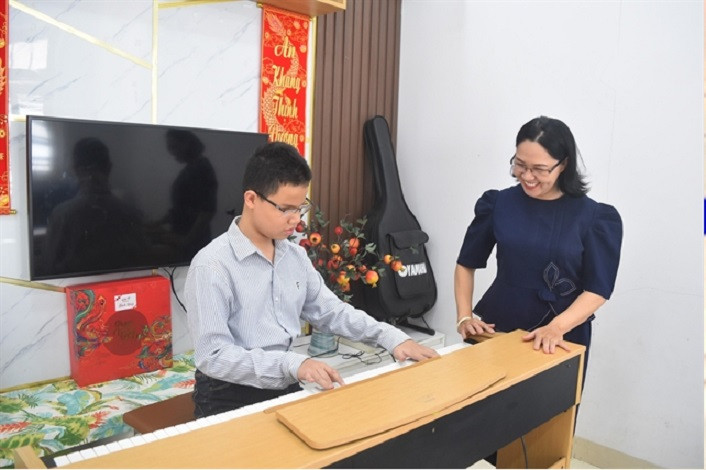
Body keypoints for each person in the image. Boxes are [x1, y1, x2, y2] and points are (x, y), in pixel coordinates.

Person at [185, 141, 439, 419]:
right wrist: (292, 363)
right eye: (285, 209)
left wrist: (392, 338)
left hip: (287, 381)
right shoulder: (212, 265)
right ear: (251, 199)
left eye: (300, 207)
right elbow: (213, 356)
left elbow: (331, 311)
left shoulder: (293, 256)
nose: (295, 220)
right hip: (227, 396)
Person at [454, 116, 622, 382]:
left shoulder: (595, 217)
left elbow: (598, 289)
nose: (527, 176)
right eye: (520, 165)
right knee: (486, 416)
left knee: (551, 419)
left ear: (563, 165)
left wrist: (556, 328)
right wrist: (464, 317)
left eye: (540, 169)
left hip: (560, 338)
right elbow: (466, 263)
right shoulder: (499, 204)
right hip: (498, 330)